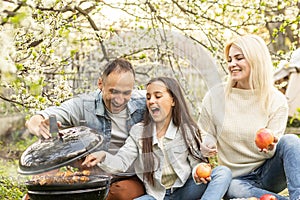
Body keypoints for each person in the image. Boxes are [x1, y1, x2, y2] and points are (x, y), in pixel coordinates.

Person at [82, 77, 232, 200]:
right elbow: (122, 161)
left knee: (223, 173)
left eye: (158, 96)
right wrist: (103, 156)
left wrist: (199, 170)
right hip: (157, 196)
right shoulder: (139, 132)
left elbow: (196, 163)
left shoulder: (186, 130)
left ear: (173, 100)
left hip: (185, 191)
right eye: (148, 97)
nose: (151, 101)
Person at [25, 58, 147, 200]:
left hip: (127, 176)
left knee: (119, 194)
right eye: (114, 92)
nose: (119, 100)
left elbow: (171, 103)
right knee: (41, 188)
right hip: (91, 176)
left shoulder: (145, 101)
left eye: (126, 93)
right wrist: (38, 125)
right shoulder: (83, 105)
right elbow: (38, 119)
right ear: (100, 84)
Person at [198, 34, 300, 200]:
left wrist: (270, 147)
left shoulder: (276, 100)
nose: (232, 64)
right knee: (231, 187)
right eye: (230, 60)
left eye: (239, 58)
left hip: (269, 173)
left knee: (291, 141)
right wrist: (206, 144)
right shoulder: (216, 96)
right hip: (237, 180)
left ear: (256, 60)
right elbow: (202, 133)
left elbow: (271, 151)